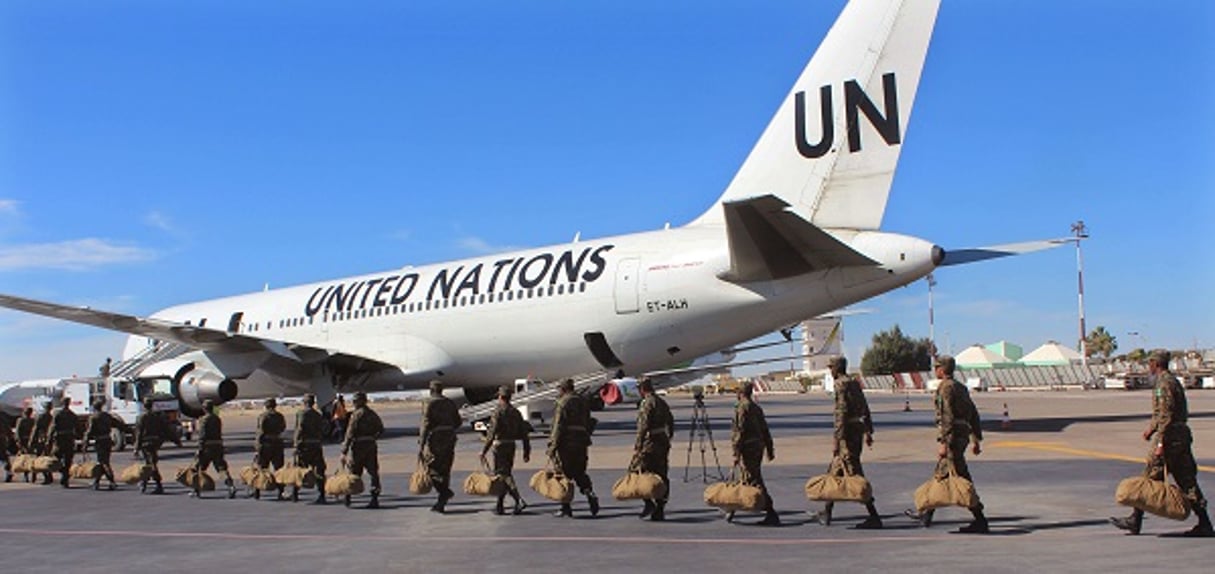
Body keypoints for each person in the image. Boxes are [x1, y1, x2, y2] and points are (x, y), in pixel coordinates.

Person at [1111, 350, 1212, 537]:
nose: (1148, 367)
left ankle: (1135, 519)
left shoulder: (1163, 383)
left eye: (1149, 363)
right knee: (1187, 480)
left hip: (1170, 438)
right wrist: (1151, 428)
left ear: (1156, 364)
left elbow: (1166, 414)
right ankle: (1204, 522)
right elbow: (1164, 413)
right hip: (1180, 436)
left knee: (1149, 478)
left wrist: (1160, 443)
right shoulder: (1171, 381)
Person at [906, 355, 989, 534]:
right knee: (944, 474)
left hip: (952, 439)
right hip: (961, 436)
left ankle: (980, 519)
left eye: (936, 367)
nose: (935, 370)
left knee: (956, 476)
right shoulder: (961, 388)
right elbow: (973, 414)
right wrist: (976, 439)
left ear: (942, 370)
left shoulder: (945, 388)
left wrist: (943, 442)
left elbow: (946, 417)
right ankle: (926, 514)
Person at [811, 356, 882, 529]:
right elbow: (864, 407)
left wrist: (837, 438)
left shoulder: (841, 385)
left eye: (831, 368)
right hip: (856, 432)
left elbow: (840, 414)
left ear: (837, 368)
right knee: (835, 472)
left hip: (847, 436)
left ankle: (874, 515)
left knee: (854, 474)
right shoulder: (854, 383)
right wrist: (867, 430)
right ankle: (827, 511)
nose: (830, 371)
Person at [548, 378, 600, 518]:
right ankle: (589, 492)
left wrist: (552, 446)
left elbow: (558, 425)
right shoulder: (582, 401)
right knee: (579, 472)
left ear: (563, 389)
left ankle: (566, 506)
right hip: (581, 442)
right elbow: (589, 421)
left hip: (566, 443)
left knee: (563, 475)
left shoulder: (563, 402)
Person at [732, 381, 779, 525]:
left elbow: (739, 432)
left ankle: (770, 511)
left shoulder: (742, 408)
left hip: (748, 448)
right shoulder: (756, 408)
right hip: (758, 446)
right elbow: (765, 430)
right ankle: (734, 508)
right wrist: (770, 449)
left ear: (740, 393)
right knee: (747, 476)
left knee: (754, 478)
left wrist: (736, 452)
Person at [479, 385, 530, 515]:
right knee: (503, 474)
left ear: (501, 397)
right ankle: (500, 505)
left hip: (500, 446)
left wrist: (484, 450)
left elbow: (492, 433)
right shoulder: (515, 412)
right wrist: (526, 450)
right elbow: (524, 432)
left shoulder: (498, 412)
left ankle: (518, 500)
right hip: (511, 445)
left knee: (503, 474)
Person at [630, 378, 674, 522]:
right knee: (661, 475)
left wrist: (638, 445)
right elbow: (670, 421)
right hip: (662, 440)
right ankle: (660, 508)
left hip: (650, 443)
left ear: (642, 389)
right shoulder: (661, 402)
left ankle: (648, 503)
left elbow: (643, 426)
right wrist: (668, 437)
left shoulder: (646, 403)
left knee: (639, 472)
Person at [420, 380, 462, 513]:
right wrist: (448, 430)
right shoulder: (449, 403)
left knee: (431, 469)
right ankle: (441, 502)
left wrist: (422, 442)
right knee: (445, 470)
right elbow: (458, 422)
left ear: (431, 390)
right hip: (449, 438)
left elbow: (425, 423)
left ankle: (444, 492)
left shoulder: (428, 402)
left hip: (436, 439)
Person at [342, 391, 383, 508]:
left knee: (353, 472)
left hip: (358, 447)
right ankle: (374, 499)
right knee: (373, 473)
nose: (354, 403)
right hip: (370, 445)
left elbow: (350, 433)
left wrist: (344, 450)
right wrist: (372, 438)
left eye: (355, 401)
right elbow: (381, 429)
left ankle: (348, 497)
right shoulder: (372, 414)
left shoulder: (356, 414)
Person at [191, 399, 237, 499]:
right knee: (221, 468)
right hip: (218, 446)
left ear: (204, 409)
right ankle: (230, 486)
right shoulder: (217, 419)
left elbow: (202, 435)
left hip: (207, 447)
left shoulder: (204, 420)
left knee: (200, 468)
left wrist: (199, 448)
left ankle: (196, 489)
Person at [133, 397, 175, 494]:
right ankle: (144, 483)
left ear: (144, 406)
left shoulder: (141, 418)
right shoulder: (157, 416)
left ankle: (157, 485)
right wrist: (175, 440)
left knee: (151, 464)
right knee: (149, 463)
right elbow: (166, 429)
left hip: (146, 443)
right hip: (155, 442)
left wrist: (136, 448)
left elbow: (138, 433)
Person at [293, 393, 328, 503]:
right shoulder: (318, 415)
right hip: (316, 445)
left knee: (299, 470)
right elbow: (324, 429)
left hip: (305, 446)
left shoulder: (301, 413)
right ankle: (322, 494)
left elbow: (299, 429)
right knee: (319, 470)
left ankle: (295, 494)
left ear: (304, 402)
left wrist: (296, 445)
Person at [85, 399, 125, 490]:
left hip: (100, 441)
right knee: (102, 461)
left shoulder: (94, 417)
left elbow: (89, 431)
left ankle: (111, 481)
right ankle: (97, 481)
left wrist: (85, 442)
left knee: (103, 462)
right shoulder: (107, 416)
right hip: (107, 439)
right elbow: (118, 424)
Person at [253, 398, 287, 500]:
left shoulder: (263, 416)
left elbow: (260, 432)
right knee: (279, 469)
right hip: (277, 443)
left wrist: (257, 447)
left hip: (266, 445)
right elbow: (283, 428)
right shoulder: (280, 416)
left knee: (262, 468)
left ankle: (257, 491)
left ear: (266, 406)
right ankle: (281, 491)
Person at [48, 396, 78, 488]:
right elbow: (77, 428)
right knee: (68, 459)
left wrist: (49, 439)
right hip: (69, 438)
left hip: (60, 439)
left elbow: (53, 427)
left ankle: (63, 473)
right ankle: (65, 476)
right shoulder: (73, 415)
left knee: (56, 456)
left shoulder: (58, 414)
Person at [29, 402, 53, 484]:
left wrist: (31, 441)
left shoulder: (41, 417)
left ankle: (40, 476)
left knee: (39, 458)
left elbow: (35, 429)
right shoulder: (52, 417)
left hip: (41, 439)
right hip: (49, 440)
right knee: (47, 458)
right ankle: (48, 476)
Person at [15, 407, 35, 482]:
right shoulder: (31, 420)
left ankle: (28, 475)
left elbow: (17, 431)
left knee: (26, 458)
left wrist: (18, 441)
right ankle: (30, 475)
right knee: (29, 458)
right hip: (28, 441)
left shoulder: (21, 420)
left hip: (26, 440)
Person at [0, 413, 13, 483]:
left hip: (2, 439)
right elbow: (8, 429)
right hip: (2, 440)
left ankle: (9, 473)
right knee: (4, 457)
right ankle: (9, 473)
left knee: (4, 457)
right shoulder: (3, 417)